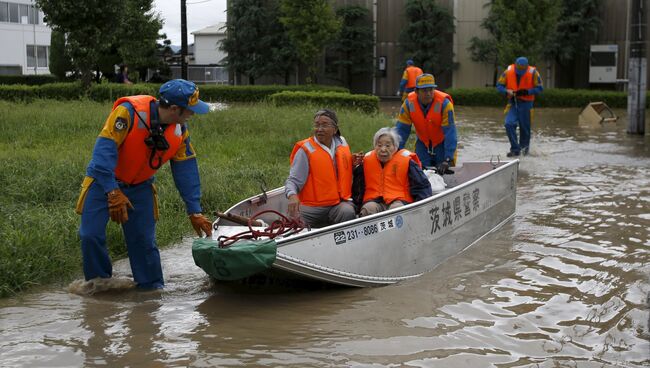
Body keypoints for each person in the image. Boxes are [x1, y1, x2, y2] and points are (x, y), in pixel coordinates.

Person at [75, 79, 213, 289]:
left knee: (144, 243)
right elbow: (104, 152)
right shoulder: (127, 113)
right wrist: (112, 192)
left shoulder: (180, 131)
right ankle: (99, 286)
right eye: (190, 110)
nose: (192, 114)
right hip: (103, 181)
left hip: (140, 187)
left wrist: (194, 210)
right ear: (175, 109)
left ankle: (150, 293)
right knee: (90, 235)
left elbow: (186, 170)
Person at [285, 108, 356, 228]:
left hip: (337, 205)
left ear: (335, 129)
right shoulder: (305, 150)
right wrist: (292, 195)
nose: (319, 129)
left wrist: (353, 162)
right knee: (293, 225)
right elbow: (292, 181)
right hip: (310, 208)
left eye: (324, 125)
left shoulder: (342, 143)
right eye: (317, 125)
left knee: (348, 211)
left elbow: (342, 169)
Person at [353, 127, 433, 216]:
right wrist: (357, 207)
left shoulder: (407, 161)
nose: (383, 149)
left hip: (399, 201)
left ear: (395, 147)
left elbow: (422, 186)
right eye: (379, 145)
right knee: (368, 209)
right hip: (375, 201)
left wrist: (420, 209)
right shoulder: (366, 161)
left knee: (395, 210)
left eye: (388, 145)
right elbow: (358, 189)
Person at [395, 73, 458, 175]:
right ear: (416, 91)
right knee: (419, 173)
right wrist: (396, 151)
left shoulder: (445, 105)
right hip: (422, 144)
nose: (428, 93)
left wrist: (448, 159)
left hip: (441, 144)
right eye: (424, 90)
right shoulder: (408, 104)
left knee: (445, 174)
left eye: (431, 90)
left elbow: (450, 133)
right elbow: (401, 130)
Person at [496, 56, 543, 157]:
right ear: (515, 65)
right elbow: (499, 86)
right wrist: (506, 91)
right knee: (508, 124)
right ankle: (515, 149)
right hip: (513, 103)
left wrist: (527, 92)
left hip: (526, 105)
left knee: (525, 129)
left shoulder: (534, 72)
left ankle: (524, 152)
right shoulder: (508, 71)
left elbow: (540, 88)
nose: (519, 73)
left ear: (527, 67)